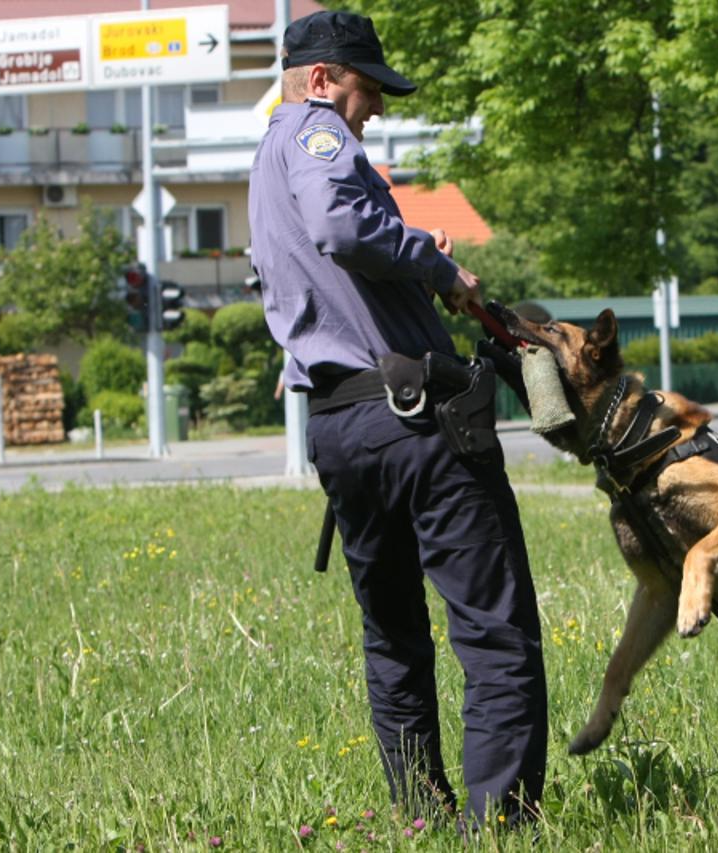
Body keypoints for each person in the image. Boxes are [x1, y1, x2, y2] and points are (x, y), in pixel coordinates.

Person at [247, 10, 546, 828]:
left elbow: (326, 260)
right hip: (415, 418)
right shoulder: (314, 133)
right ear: (320, 79)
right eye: (366, 90)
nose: (373, 108)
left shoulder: (265, 163)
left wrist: (413, 254)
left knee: (394, 636)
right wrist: (436, 262)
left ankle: (421, 815)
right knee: (494, 627)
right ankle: (502, 826)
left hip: (340, 427)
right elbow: (343, 226)